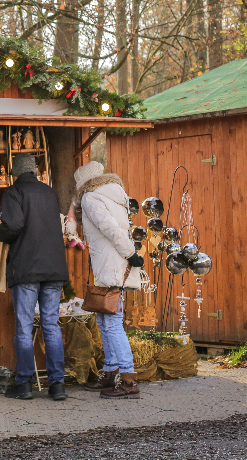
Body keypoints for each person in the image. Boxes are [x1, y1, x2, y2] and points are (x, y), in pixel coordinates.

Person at [0, 153, 70, 401]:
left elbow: (14, 225)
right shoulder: (49, 192)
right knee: (51, 325)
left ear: (14, 174)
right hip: (54, 267)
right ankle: (57, 385)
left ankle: (24, 383)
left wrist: (0, 234)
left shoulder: (14, 193)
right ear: (35, 172)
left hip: (26, 267)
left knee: (24, 327)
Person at [74, 161, 143, 399]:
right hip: (115, 262)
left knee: (112, 323)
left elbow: (109, 228)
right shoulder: (115, 196)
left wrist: (130, 254)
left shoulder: (90, 198)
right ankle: (110, 370)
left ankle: (127, 378)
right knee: (105, 320)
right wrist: (130, 254)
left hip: (111, 264)